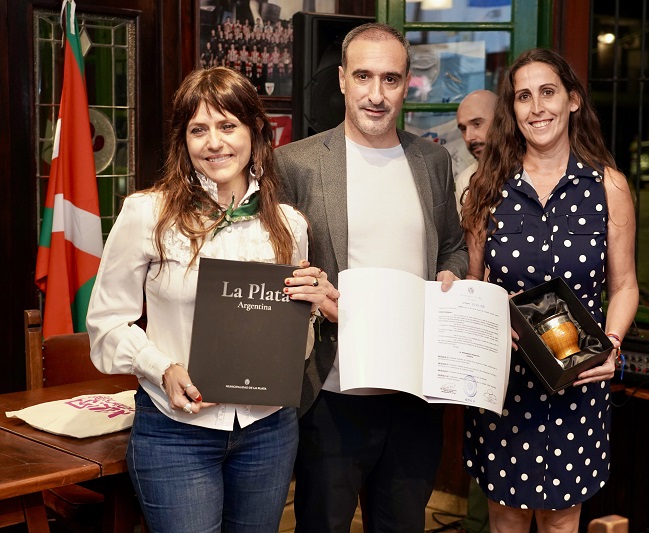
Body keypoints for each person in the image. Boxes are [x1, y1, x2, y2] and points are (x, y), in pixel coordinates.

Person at [86, 67, 336, 533]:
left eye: (227, 125)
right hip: (176, 433)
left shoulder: (289, 224)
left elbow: (295, 340)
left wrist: (315, 308)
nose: (214, 142)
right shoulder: (147, 214)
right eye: (198, 129)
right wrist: (162, 368)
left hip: (269, 431)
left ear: (254, 132)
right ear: (183, 141)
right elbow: (106, 324)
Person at [274, 22, 468, 533]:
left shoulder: (432, 161)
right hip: (332, 393)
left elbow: (453, 247)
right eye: (363, 76)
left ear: (407, 84)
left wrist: (450, 274)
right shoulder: (295, 163)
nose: (376, 95)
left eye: (390, 79)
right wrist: (311, 292)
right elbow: (275, 267)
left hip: (415, 397)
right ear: (342, 79)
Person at [460, 49, 639, 532]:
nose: (537, 107)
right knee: (505, 519)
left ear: (573, 100)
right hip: (505, 384)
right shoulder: (486, 188)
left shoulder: (608, 186)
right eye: (523, 96)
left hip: (579, 381)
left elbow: (625, 285)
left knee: (562, 521)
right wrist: (486, 314)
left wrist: (612, 345)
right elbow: (472, 284)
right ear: (512, 109)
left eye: (548, 92)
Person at [455, 89, 498, 215]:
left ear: (501, 120)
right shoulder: (465, 181)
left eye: (477, 124)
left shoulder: (532, 169)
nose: (468, 137)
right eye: (463, 129)